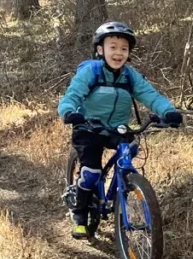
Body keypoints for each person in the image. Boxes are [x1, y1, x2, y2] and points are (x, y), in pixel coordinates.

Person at [57, 22, 183, 240]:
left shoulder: (130, 76)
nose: (118, 53)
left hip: (117, 128)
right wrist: (69, 112)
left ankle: (122, 189)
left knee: (130, 153)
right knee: (91, 173)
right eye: (113, 47)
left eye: (124, 48)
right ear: (100, 50)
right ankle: (79, 214)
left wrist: (168, 111)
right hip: (88, 127)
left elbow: (150, 95)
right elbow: (73, 94)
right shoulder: (91, 72)